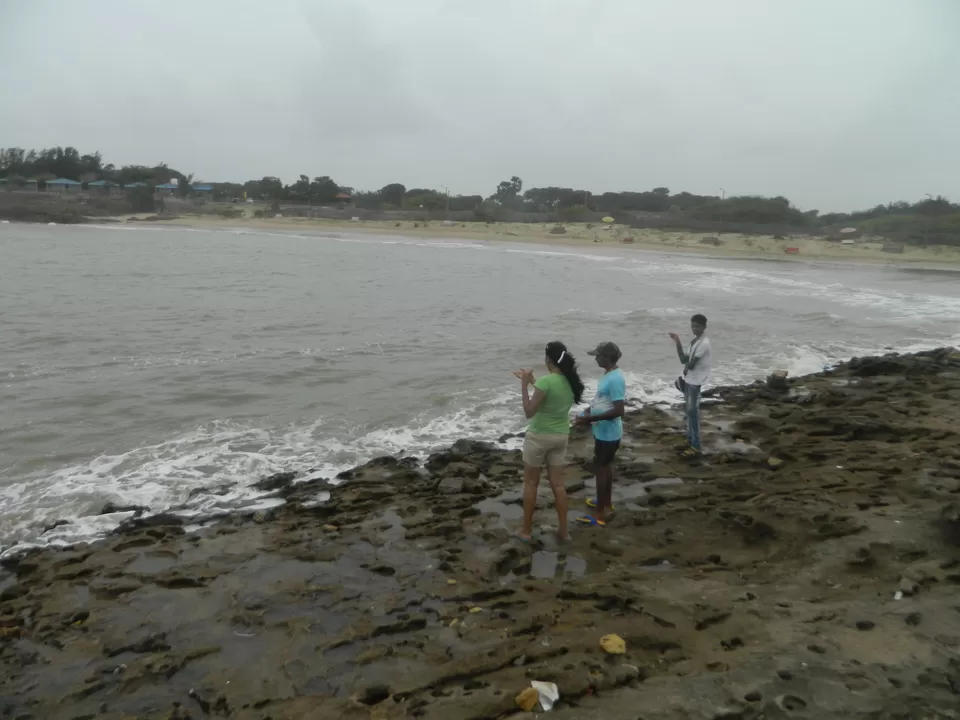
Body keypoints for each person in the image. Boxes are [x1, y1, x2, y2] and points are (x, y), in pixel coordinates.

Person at [514, 341, 585, 543]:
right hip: (560, 436)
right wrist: (532, 381)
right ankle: (564, 532)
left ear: (548, 360)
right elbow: (550, 395)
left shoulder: (547, 381)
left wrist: (524, 385)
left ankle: (526, 531)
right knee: (558, 485)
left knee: (531, 483)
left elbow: (529, 412)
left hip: (539, 437)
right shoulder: (570, 381)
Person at [574, 342, 626, 527]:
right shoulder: (609, 374)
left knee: (601, 470)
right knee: (606, 467)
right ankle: (606, 502)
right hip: (603, 431)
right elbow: (602, 399)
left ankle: (599, 515)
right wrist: (589, 410)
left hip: (609, 433)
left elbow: (619, 410)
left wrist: (590, 419)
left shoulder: (615, 379)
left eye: (598, 355)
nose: (595, 358)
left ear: (607, 357)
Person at [669, 313, 712, 457]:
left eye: (697, 326)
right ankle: (689, 440)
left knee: (693, 413)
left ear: (704, 327)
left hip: (695, 382)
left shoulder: (704, 343)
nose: (694, 329)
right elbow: (683, 360)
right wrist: (677, 340)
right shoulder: (694, 342)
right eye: (693, 326)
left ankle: (696, 446)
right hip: (689, 380)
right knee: (688, 412)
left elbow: (691, 365)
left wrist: (687, 367)